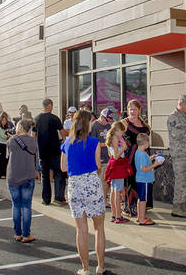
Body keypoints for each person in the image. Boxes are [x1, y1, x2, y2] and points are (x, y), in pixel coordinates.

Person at [60, 110, 107, 275]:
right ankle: (100, 266)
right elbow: (98, 165)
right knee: (99, 228)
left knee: (81, 230)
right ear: (87, 124)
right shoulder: (94, 142)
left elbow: (63, 168)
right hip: (92, 184)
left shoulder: (67, 143)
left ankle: (85, 268)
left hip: (75, 186)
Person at [7, 119, 38, 243]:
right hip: (28, 175)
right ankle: (26, 234)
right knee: (26, 206)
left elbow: (9, 153)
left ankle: (17, 233)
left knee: (16, 205)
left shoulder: (12, 140)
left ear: (20, 127)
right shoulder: (33, 141)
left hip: (13, 175)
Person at [121, 99, 152, 217]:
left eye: (135, 109)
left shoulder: (144, 124)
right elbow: (115, 135)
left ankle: (143, 206)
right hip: (131, 157)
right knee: (132, 180)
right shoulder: (124, 122)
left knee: (145, 179)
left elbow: (148, 131)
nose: (132, 111)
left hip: (144, 155)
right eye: (130, 109)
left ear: (139, 110)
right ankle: (130, 206)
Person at [35, 99, 68, 206]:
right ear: (49, 106)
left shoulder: (37, 119)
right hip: (54, 151)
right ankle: (59, 197)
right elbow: (63, 132)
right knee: (59, 173)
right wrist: (67, 137)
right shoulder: (54, 118)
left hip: (42, 152)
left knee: (45, 176)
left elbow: (33, 136)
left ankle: (46, 199)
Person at [135, 133, 162, 226]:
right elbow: (144, 168)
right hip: (145, 180)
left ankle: (140, 216)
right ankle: (142, 219)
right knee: (144, 200)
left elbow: (144, 162)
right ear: (146, 143)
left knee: (141, 199)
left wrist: (152, 157)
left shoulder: (139, 152)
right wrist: (155, 164)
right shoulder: (142, 154)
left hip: (140, 179)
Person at [104, 120, 129, 224]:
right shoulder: (115, 138)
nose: (122, 134)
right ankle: (118, 216)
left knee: (114, 191)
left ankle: (114, 215)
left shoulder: (111, 138)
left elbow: (110, 155)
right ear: (117, 130)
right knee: (117, 192)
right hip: (117, 165)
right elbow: (115, 155)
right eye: (121, 132)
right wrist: (123, 148)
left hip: (114, 165)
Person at [91, 108, 114, 206]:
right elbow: (92, 144)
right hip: (98, 157)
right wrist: (106, 144)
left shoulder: (109, 126)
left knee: (105, 181)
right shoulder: (94, 126)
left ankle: (103, 199)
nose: (107, 123)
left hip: (108, 157)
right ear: (101, 116)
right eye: (106, 120)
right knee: (99, 180)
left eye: (109, 121)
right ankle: (99, 200)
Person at [0, 113, 12, 178]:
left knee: (6, 160)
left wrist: (9, 135)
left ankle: (5, 173)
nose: (4, 122)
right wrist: (9, 136)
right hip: (1, 145)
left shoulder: (7, 128)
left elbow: (9, 134)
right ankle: (0, 174)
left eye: (5, 120)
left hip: (6, 145)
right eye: (2, 120)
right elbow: (3, 136)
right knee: (1, 160)